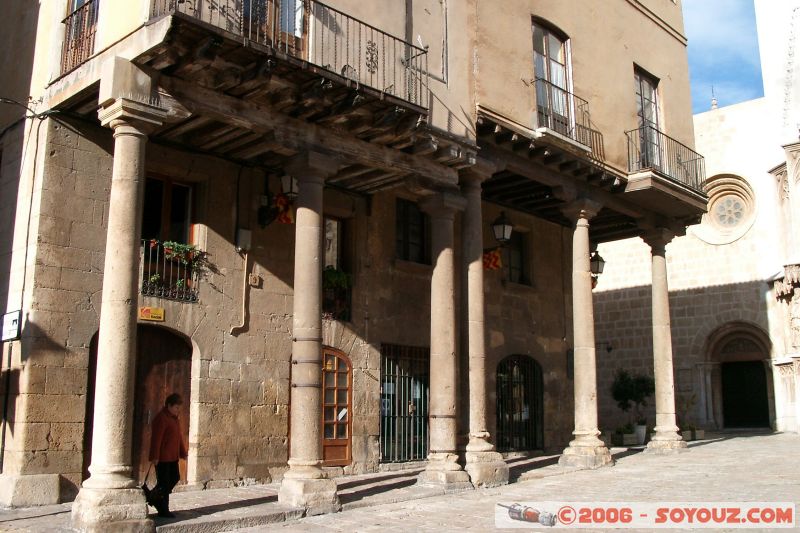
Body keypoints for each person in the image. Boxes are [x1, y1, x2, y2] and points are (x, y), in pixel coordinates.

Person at [149, 393, 187, 518]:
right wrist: (155, 456)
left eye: (179, 408)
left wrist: (182, 452)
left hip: (172, 457)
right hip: (162, 458)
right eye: (176, 407)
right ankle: (163, 509)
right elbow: (156, 439)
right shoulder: (161, 418)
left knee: (175, 477)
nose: (178, 410)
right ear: (169, 406)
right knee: (164, 483)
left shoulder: (174, 419)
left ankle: (154, 498)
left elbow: (179, 438)